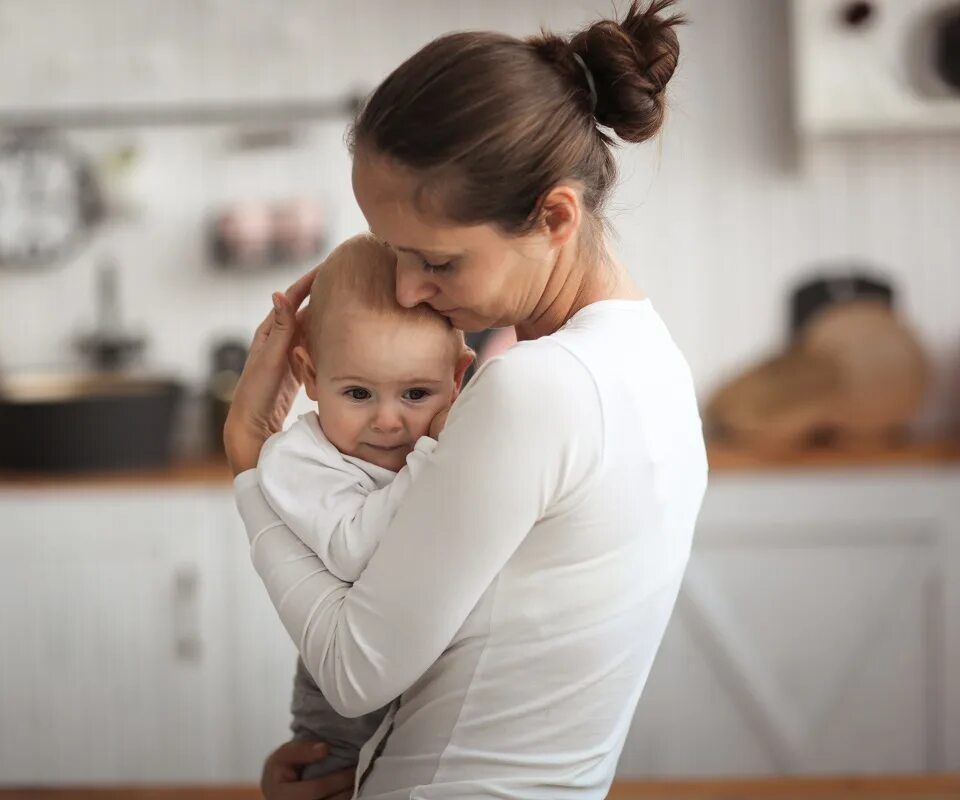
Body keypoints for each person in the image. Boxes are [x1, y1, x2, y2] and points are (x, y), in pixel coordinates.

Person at [225, 2, 708, 797]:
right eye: (394, 253)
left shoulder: (534, 389)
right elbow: (499, 658)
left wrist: (249, 463)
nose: (410, 290)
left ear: (555, 216)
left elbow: (353, 671)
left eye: (437, 262)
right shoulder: (651, 359)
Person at [257, 233, 472, 780]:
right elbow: (355, 551)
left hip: (436, 688)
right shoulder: (297, 458)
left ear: (458, 379)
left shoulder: (459, 439)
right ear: (309, 375)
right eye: (357, 393)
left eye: (416, 395)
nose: (388, 421)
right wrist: (432, 456)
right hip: (341, 717)